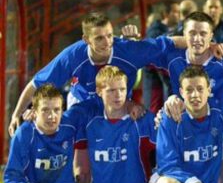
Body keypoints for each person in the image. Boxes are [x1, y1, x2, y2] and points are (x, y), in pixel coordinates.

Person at [7, 12, 170, 137]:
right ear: (86, 39)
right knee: (78, 154)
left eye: (109, 35)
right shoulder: (72, 56)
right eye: (99, 38)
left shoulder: (126, 49)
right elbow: (36, 84)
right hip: (81, 104)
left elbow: (168, 45)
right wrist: (16, 114)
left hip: (119, 105)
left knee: (142, 128)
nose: (106, 43)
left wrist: (193, 45)